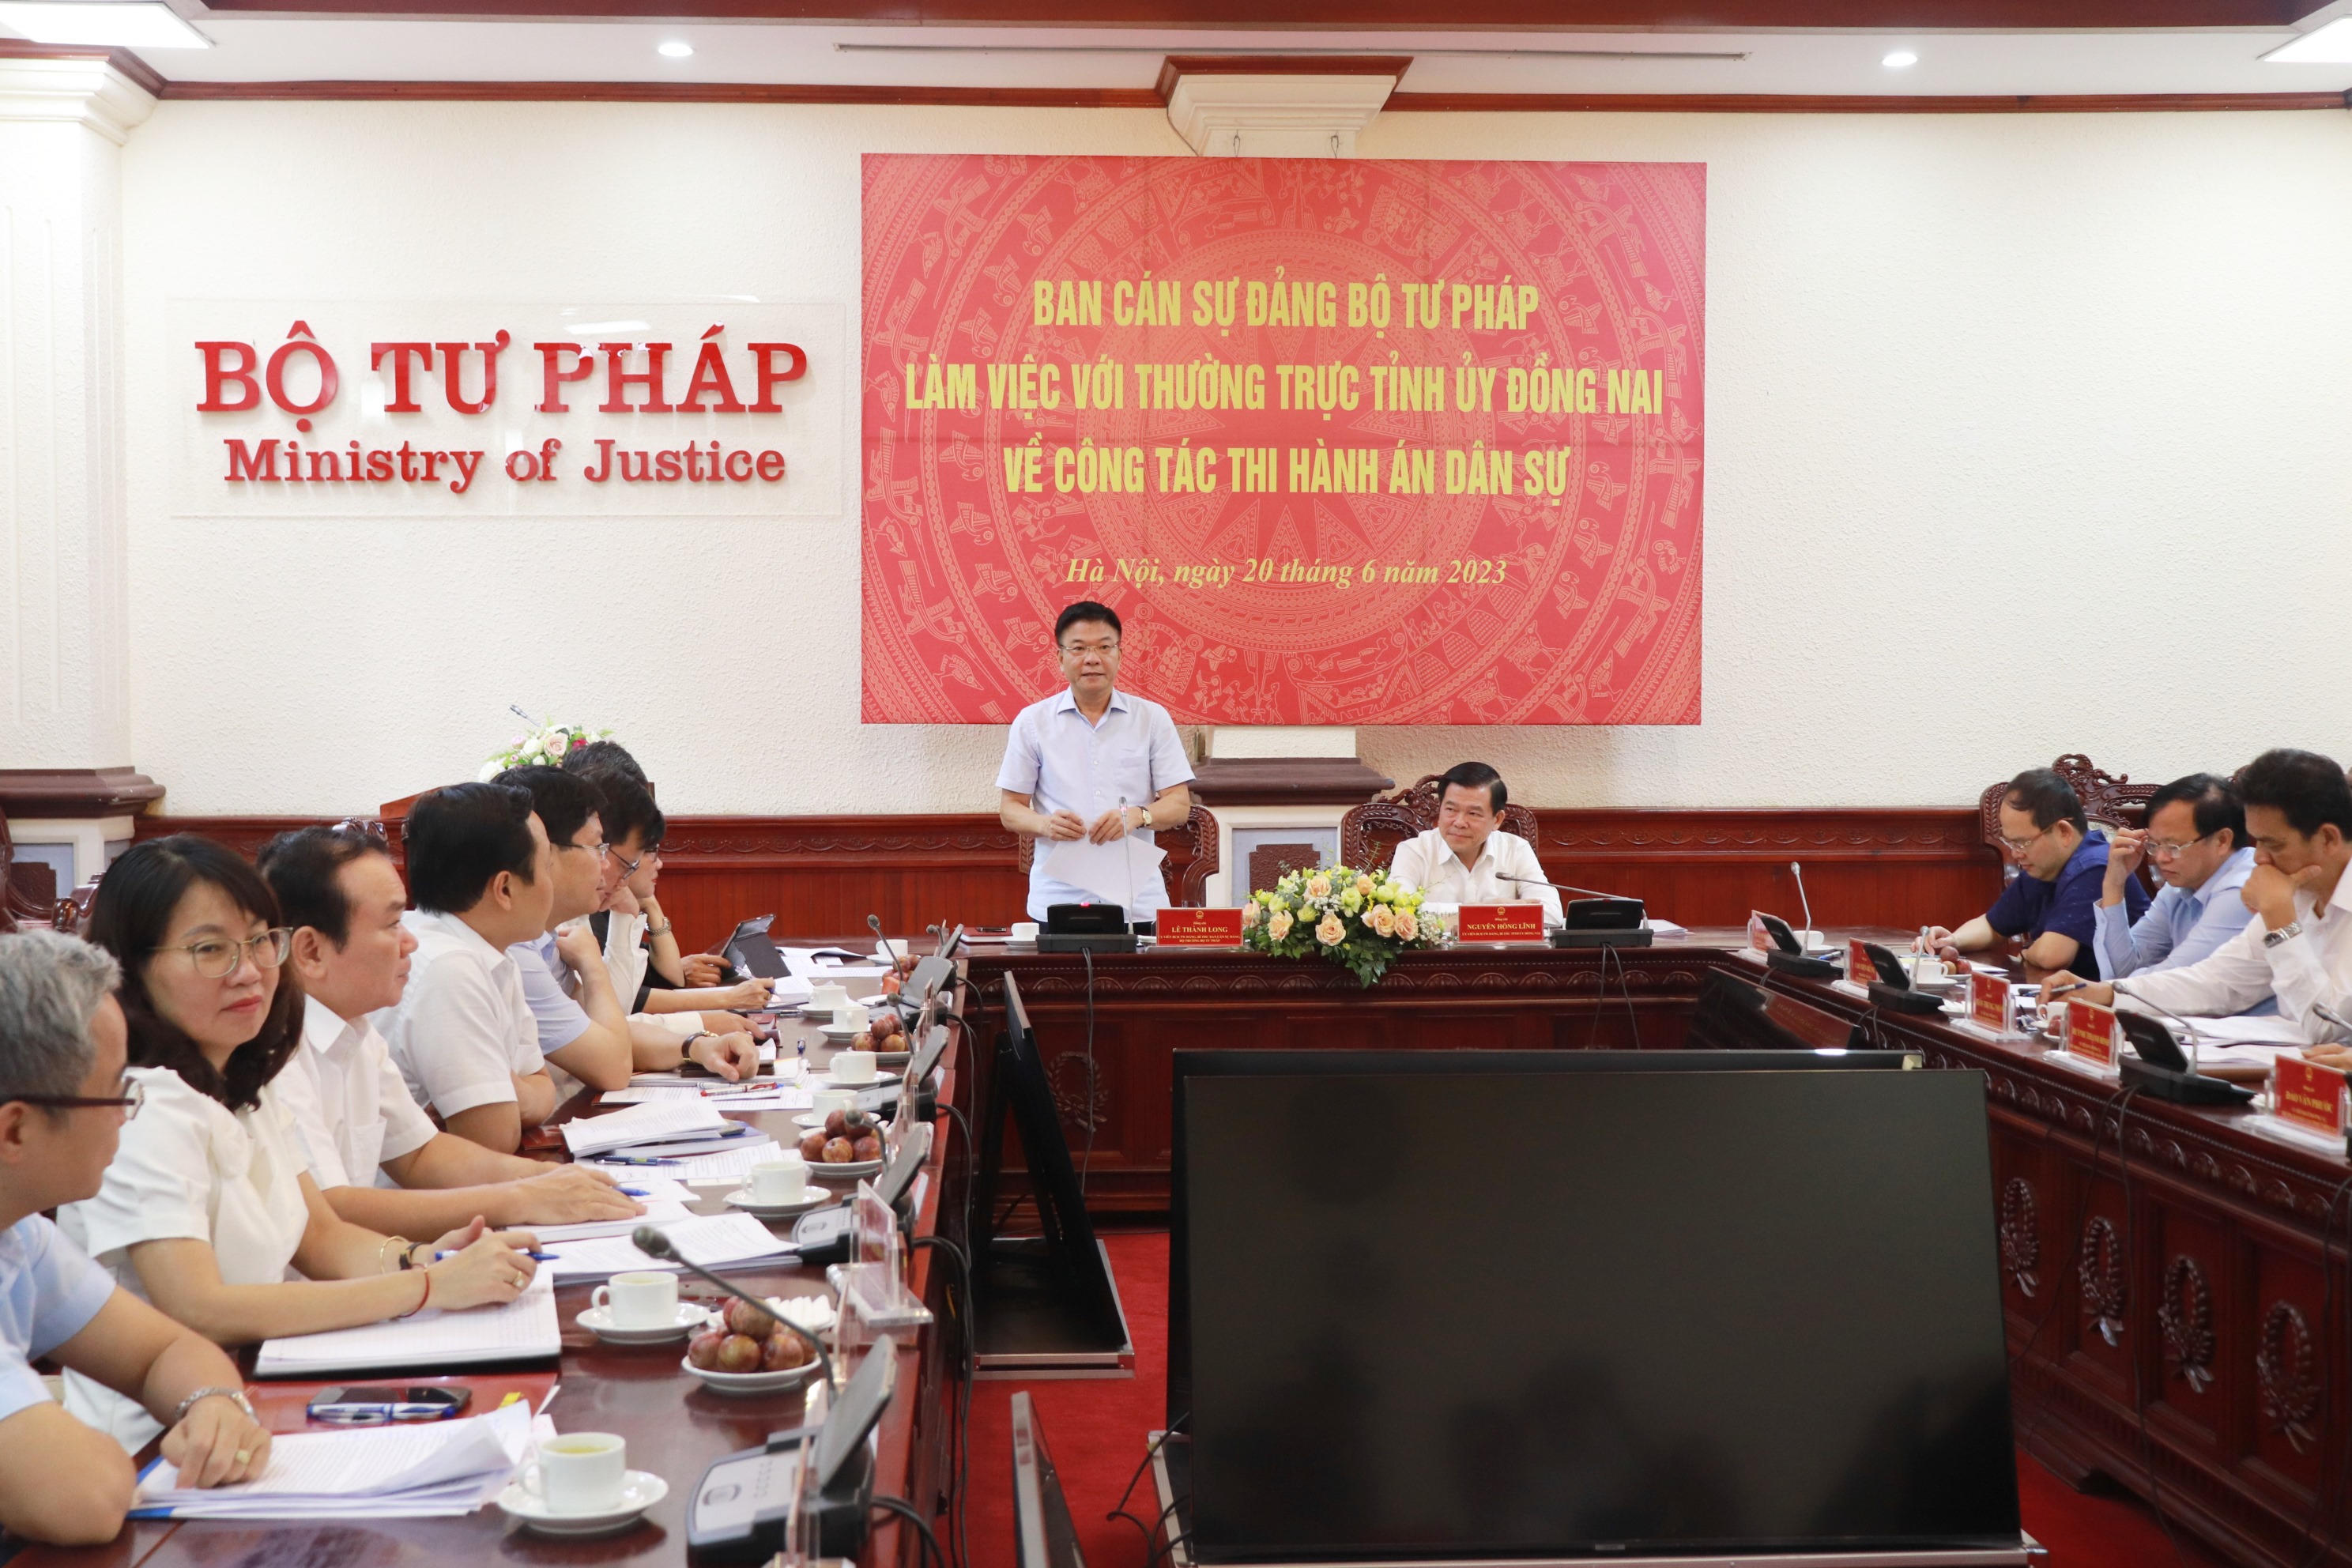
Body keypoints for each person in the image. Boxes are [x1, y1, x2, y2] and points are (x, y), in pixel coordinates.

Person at [58, 836, 537, 1452]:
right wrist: (427, 1288)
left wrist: (427, 1259)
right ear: (132, 967)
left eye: (261, 941)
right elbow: (198, 1307)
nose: (250, 971)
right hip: (165, 1441)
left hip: (262, 1395)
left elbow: (322, 1239)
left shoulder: (242, 1083)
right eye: (211, 949)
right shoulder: (142, 1105)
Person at [0, 929, 273, 1544]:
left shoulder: (18, 1235)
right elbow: (83, 1500)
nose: (128, 1114)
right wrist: (100, 1458)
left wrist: (213, 1406)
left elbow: (166, 1352)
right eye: (115, 1091)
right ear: (15, 1130)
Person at [258, 823, 645, 1234]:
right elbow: (330, 1212)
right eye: (392, 924)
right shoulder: (271, 1053)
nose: (410, 942)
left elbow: (421, 1154)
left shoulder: (355, 1029)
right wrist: (522, 1198)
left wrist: (544, 1178)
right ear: (311, 951)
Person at [2047, 750, 2352, 1048]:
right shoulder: (2293, 893)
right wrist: (2107, 993)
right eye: (2257, 841)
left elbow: (2329, 1028)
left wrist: (2280, 920)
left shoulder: (2278, 899)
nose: (2259, 858)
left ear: (2328, 838)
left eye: (2273, 845)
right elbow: (2217, 982)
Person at [491, 767, 756, 1094]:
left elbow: (608, 1029)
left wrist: (696, 1046)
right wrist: (592, 964)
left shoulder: (542, 939)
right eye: (598, 848)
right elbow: (612, 1065)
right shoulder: (517, 948)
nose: (605, 866)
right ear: (546, 853)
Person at [376, 782, 564, 1152]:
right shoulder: (449, 969)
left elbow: (544, 1088)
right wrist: (512, 1095)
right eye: (547, 866)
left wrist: (512, 1094)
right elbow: (495, 1139)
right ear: (505, 889)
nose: (552, 882)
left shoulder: (491, 953)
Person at [996, 601, 1195, 923]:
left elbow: (1179, 805)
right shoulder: (1032, 722)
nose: (1092, 659)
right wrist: (1045, 825)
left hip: (1137, 901)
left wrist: (1139, 815)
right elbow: (1010, 809)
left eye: (1104, 647)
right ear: (1060, 658)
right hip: (1058, 898)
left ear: (1119, 655)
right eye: (1078, 648)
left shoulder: (1151, 718)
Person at [1917, 767, 2147, 977]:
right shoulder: (2044, 867)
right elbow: (1992, 925)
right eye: (2011, 843)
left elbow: (2052, 956)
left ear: (2064, 832)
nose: (2016, 853)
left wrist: (2027, 952)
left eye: (2022, 843)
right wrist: (1952, 941)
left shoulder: (2096, 866)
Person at [2088, 773, 2267, 1010]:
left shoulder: (2243, 890)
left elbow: (2176, 982)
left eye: (2174, 846)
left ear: (2222, 841)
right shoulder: (2181, 884)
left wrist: (2102, 992)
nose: (2160, 858)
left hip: (2254, 1028)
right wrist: (2114, 883)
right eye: (2154, 844)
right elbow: (2124, 970)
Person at [1385, 762, 1563, 925]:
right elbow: (1399, 911)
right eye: (1451, 810)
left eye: (1473, 814)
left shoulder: (1515, 849)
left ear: (1497, 820)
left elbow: (1552, 913)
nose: (1459, 822)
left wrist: (1467, 915)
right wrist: (1487, 912)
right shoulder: (1414, 851)